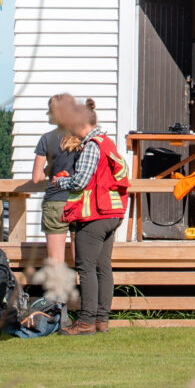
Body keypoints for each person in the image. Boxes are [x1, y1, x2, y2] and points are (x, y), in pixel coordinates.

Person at [53, 98, 128, 334]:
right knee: (103, 267)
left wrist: (60, 181)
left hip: (95, 215)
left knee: (85, 268)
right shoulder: (106, 143)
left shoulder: (91, 146)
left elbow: (80, 182)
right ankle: (101, 321)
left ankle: (85, 322)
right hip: (112, 213)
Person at [33, 93, 81, 278]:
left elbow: (36, 178)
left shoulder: (46, 139)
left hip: (55, 202)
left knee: (56, 263)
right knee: (82, 262)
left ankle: (59, 296)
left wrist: (50, 168)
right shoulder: (81, 138)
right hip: (79, 201)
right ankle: (83, 295)